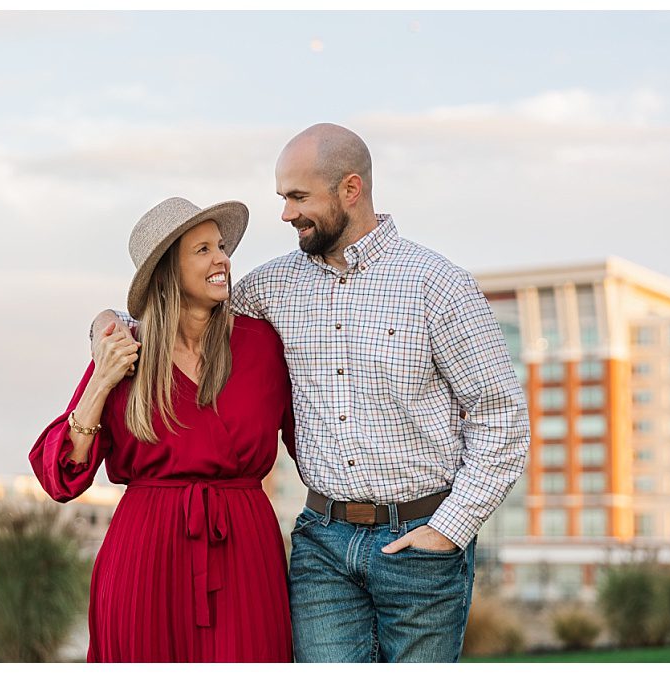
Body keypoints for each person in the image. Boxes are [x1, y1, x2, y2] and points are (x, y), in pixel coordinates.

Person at [90, 123, 530, 663]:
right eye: (282, 198)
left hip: (421, 540)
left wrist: (449, 528)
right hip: (322, 548)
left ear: (350, 189)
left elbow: (501, 416)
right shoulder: (272, 287)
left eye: (298, 197)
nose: (286, 214)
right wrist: (106, 320)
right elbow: (176, 301)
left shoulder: (437, 284)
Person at [29, 197, 296, 663]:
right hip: (145, 554)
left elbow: (314, 439)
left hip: (245, 550)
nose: (222, 260)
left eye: (221, 246)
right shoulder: (125, 352)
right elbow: (62, 479)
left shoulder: (261, 346)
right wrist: (101, 380)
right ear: (167, 273)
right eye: (203, 250)